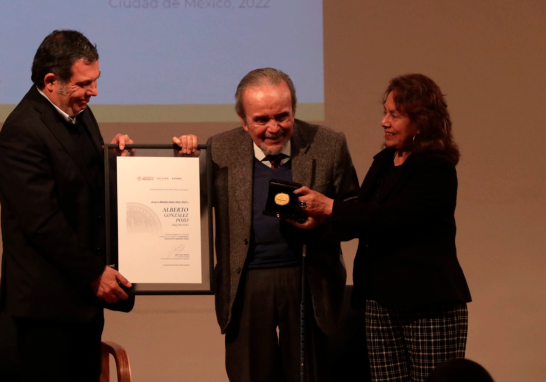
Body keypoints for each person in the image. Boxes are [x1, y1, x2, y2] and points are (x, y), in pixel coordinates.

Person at [174, 68, 359, 382]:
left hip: (308, 278)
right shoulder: (219, 148)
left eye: (283, 116)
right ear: (243, 120)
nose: (274, 128)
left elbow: (354, 212)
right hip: (245, 283)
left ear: (294, 110)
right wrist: (183, 165)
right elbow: (188, 206)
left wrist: (322, 219)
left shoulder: (328, 144)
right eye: (261, 120)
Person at [293, 73, 472, 382]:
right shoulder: (386, 161)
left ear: (422, 121)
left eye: (394, 115)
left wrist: (331, 206)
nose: (383, 122)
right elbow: (361, 216)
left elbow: (391, 219)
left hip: (427, 304)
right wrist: (320, 220)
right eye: (385, 112)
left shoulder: (436, 167)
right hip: (380, 301)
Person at [0, 30, 135, 382]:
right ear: (51, 81)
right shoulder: (22, 131)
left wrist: (118, 162)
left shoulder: (80, 114)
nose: (94, 92)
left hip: (82, 306)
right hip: (44, 313)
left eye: (96, 81)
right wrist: (94, 272)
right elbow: (42, 222)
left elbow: (86, 190)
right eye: (84, 83)